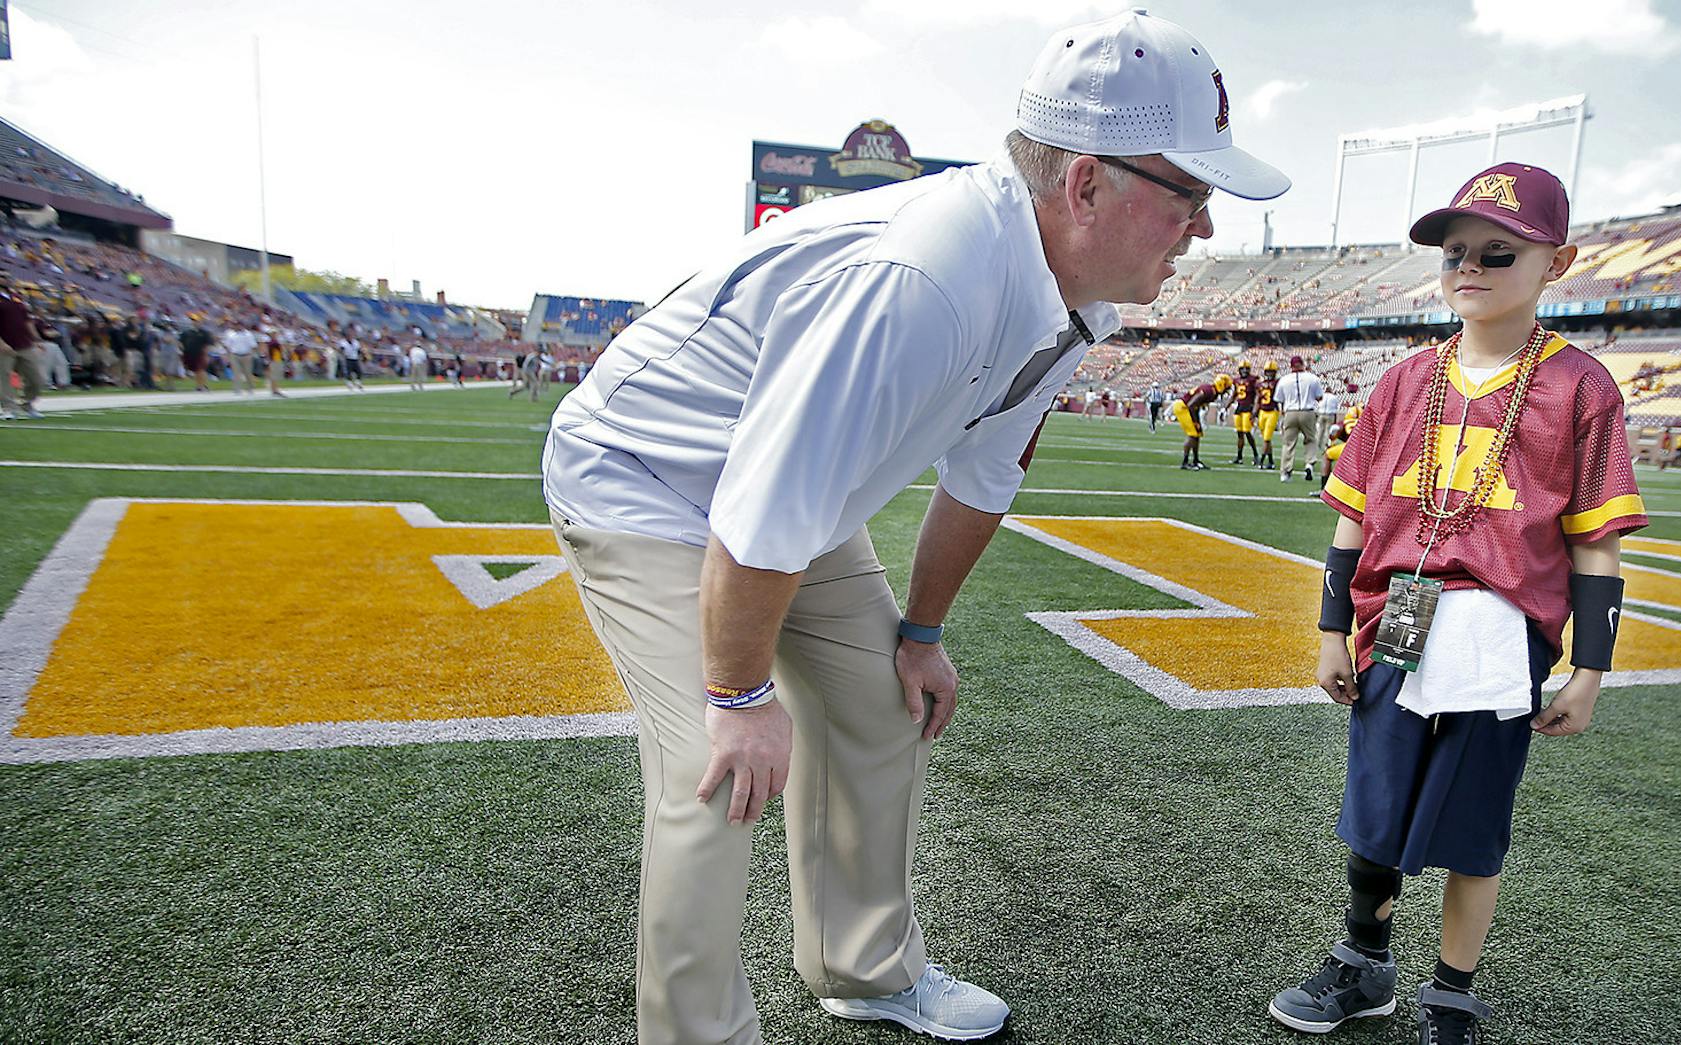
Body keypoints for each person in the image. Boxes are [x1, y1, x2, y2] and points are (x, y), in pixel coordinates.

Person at [540, 11, 1286, 1043]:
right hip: (653, 475)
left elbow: (983, 477)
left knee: (883, 703)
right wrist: (740, 695)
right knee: (716, 769)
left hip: (780, 492)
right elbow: (757, 511)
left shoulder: (1071, 293)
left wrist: (922, 635)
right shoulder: (925, 280)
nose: (1204, 227)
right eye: (1190, 196)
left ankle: (862, 967)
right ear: (1085, 185)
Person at [1273, 162, 1644, 1045]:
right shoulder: (1404, 379)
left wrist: (1591, 669)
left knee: (1474, 818)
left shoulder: (1581, 386)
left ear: (1557, 261)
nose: (1468, 268)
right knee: (1378, 796)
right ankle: (1364, 961)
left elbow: (1596, 540)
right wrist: (1332, 627)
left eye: (1497, 252)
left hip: (1502, 625)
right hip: (1401, 608)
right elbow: (1355, 514)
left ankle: (1452, 991)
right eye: (1454, 253)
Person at [1277, 353, 1323, 482]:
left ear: (1291, 366)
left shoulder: (1284, 379)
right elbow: (1319, 397)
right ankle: (1309, 463)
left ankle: (1285, 472)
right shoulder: (1312, 378)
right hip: (1307, 411)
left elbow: (1279, 399)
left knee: (1288, 443)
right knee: (1310, 439)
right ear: (1302, 364)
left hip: (1290, 411)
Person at [0, 287, 43, 420]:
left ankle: (27, 403)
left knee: (36, 378)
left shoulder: (16, 296)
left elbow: (27, 320)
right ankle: (8, 408)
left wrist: (36, 339)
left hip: (24, 344)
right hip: (4, 346)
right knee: (4, 379)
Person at [1173, 373, 1231, 469]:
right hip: (1183, 407)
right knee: (1192, 434)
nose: (1227, 390)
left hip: (1189, 408)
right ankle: (1185, 462)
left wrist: (1197, 421)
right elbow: (1191, 405)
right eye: (1227, 387)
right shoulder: (1209, 391)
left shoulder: (1213, 391)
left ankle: (1196, 461)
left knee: (1198, 434)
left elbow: (1196, 406)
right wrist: (1196, 422)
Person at [1228, 359, 1261, 464]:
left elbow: (1257, 395)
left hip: (1248, 407)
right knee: (1240, 434)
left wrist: (1255, 409)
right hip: (1239, 407)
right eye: (1242, 369)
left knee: (1247, 432)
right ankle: (1239, 456)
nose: (1244, 371)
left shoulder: (1253, 380)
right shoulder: (1236, 380)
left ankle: (1256, 455)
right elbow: (1234, 395)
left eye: (1246, 369)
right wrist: (1226, 407)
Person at [1255, 359, 1283, 470]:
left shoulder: (1278, 383)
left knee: (1266, 439)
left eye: (1272, 371)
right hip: (1262, 412)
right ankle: (1270, 461)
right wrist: (1254, 413)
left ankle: (1261, 461)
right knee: (1266, 439)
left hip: (1272, 412)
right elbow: (1258, 399)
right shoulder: (1260, 384)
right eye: (1268, 371)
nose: (1270, 374)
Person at [219, 322, 257, 395]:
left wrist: (251, 355)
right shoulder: (232, 335)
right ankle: (237, 389)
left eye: (240, 325)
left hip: (246, 355)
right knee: (236, 373)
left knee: (248, 372)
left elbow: (253, 345)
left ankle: (250, 388)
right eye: (237, 325)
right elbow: (227, 345)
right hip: (235, 355)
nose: (238, 327)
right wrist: (228, 355)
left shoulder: (248, 334)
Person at [180, 322, 212, 391]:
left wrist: (206, 354)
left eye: (197, 321)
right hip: (189, 354)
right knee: (196, 371)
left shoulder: (204, 333)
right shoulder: (187, 332)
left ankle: (203, 386)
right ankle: (198, 386)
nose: (196, 323)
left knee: (201, 370)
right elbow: (180, 342)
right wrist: (183, 351)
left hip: (201, 354)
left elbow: (208, 344)